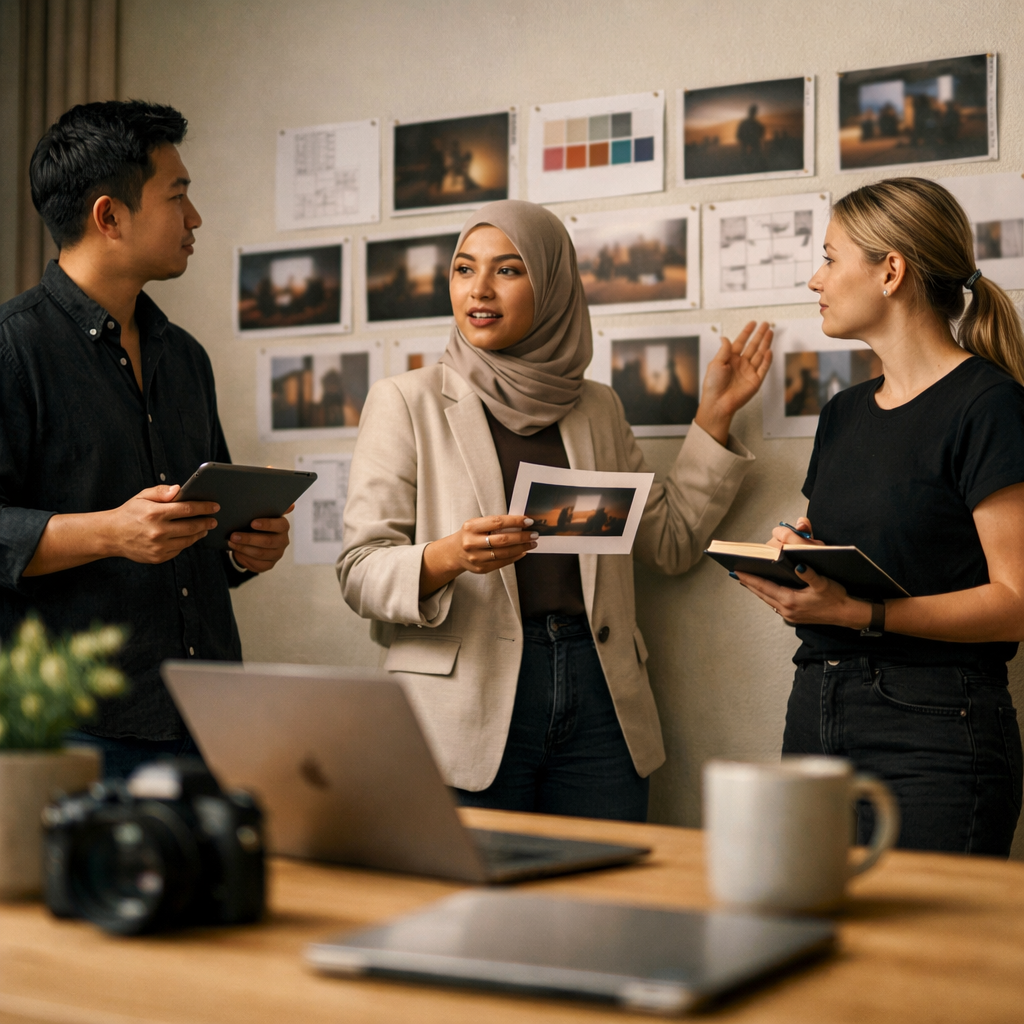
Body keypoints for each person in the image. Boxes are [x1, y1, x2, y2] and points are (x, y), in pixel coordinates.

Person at [339, 199, 772, 822]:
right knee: (474, 914)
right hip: (466, 702)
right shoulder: (405, 401)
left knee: (603, 902)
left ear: (553, 285)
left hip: (599, 694)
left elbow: (669, 544)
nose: (479, 289)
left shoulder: (595, 407)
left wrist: (713, 420)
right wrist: (448, 556)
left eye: (508, 270)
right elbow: (358, 570)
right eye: (463, 269)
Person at [0, 101, 291, 778]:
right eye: (178, 195)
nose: (194, 219)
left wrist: (246, 551)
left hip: (212, 717)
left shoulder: (185, 357)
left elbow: (194, 547)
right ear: (110, 216)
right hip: (79, 732)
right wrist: (111, 531)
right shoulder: (14, 350)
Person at [735, 177, 1024, 856]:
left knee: (920, 961)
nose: (815, 279)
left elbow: (1015, 603)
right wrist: (798, 556)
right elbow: (858, 562)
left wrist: (860, 614)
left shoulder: (989, 406)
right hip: (818, 705)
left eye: (831, 257)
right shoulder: (842, 413)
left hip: (936, 727)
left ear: (891, 270)